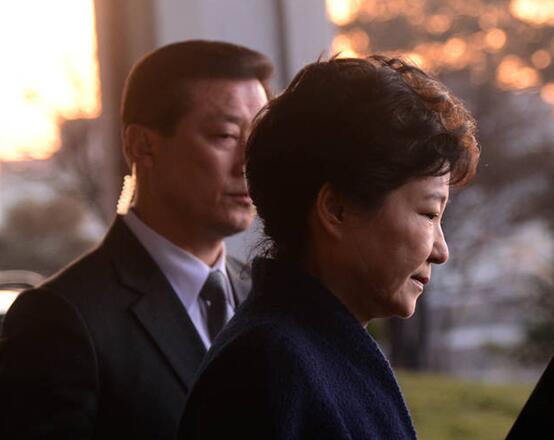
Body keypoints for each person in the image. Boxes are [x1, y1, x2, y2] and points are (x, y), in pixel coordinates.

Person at [178, 55, 480, 439]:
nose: (441, 250)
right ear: (336, 209)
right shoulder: (270, 368)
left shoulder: (302, 351)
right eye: (428, 213)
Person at [0, 40, 272, 439]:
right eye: (226, 135)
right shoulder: (61, 318)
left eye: (259, 138)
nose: (250, 162)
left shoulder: (266, 295)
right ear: (141, 146)